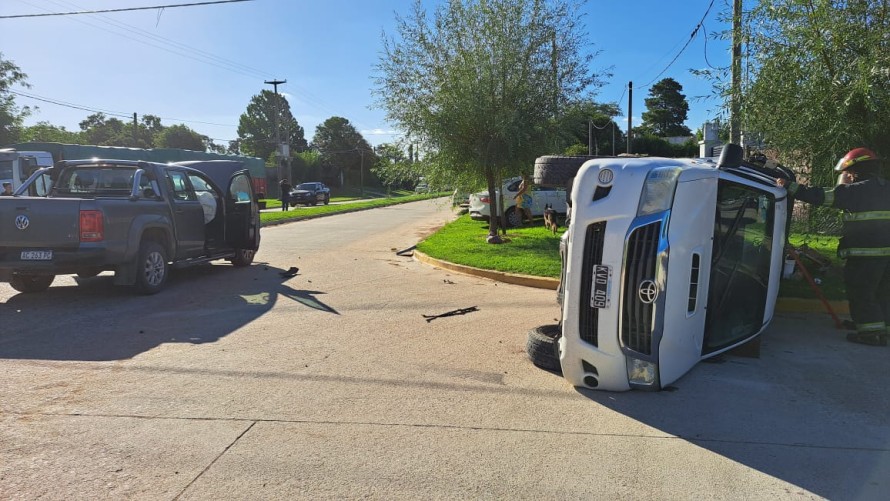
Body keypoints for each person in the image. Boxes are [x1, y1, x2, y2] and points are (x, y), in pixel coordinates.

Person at [778, 147, 890, 346]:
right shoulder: (885, 188)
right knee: (882, 292)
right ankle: (882, 330)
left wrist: (789, 186)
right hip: (886, 256)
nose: (847, 176)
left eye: (848, 173)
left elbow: (820, 196)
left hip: (864, 255)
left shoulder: (855, 191)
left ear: (856, 171)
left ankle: (870, 334)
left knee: (862, 292)